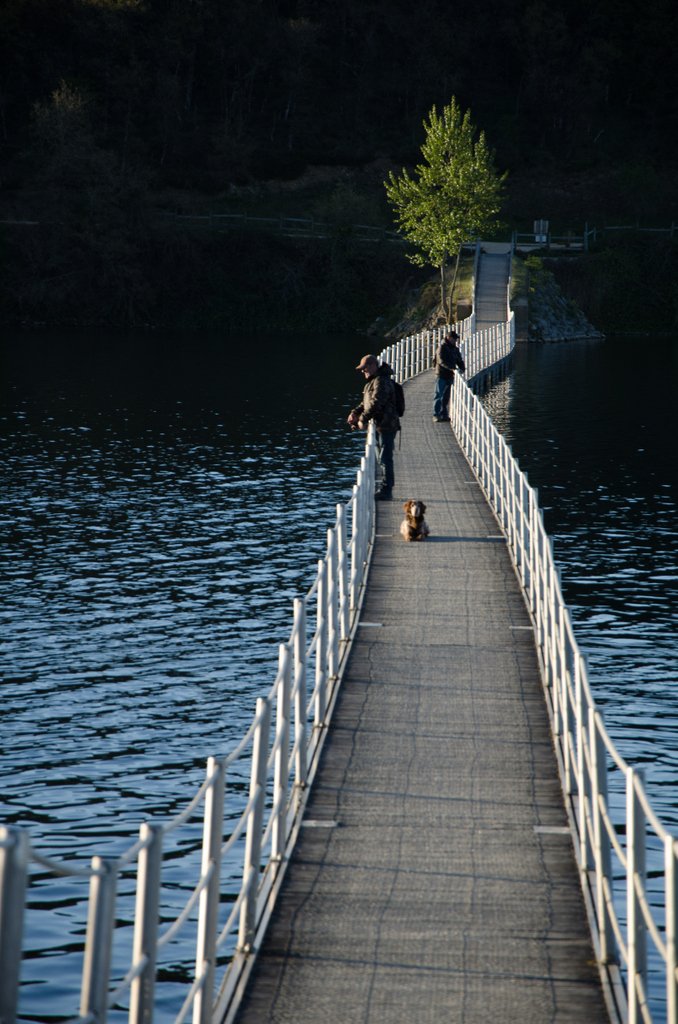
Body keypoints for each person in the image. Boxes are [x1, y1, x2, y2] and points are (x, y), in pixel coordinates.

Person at [347, 354, 400, 501]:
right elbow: (367, 403)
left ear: (373, 366)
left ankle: (386, 490)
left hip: (386, 425)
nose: (363, 372)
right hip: (379, 425)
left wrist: (363, 419)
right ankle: (384, 487)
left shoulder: (381, 381)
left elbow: (377, 402)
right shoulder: (373, 381)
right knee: (381, 457)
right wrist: (355, 412)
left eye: (364, 369)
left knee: (385, 458)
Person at [433, 331, 465, 421]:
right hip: (441, 374)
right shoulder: (442, 348)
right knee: (438, 395)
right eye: (454, 339)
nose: (455, 341)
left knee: (446, 396)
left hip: (450, 375)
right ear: (449, 338)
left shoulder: (455, 349)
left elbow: (459, 359)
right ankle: (436, 414)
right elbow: (440, 361)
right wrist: (451, 368)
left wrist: (462, 368)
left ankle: (444, 414)